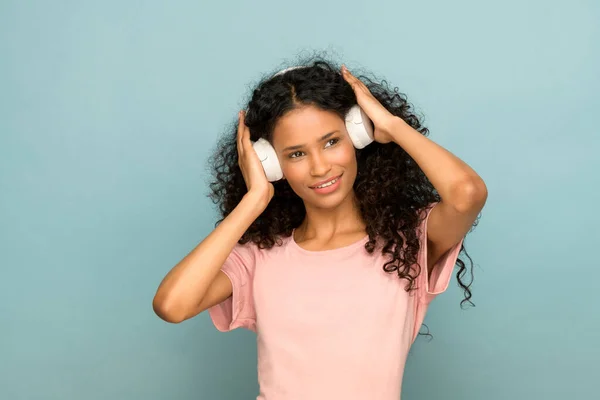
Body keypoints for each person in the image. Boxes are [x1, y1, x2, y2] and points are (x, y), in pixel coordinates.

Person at [153, 56, 488, 399]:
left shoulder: (406, 240)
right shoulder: (259, 256)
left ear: (358, 135)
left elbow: (467, 194)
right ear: (270, 164)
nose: (320, 167)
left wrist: (392, 127)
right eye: (296, 154)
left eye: (331, 142)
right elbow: (172, 305)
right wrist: (254, 200)